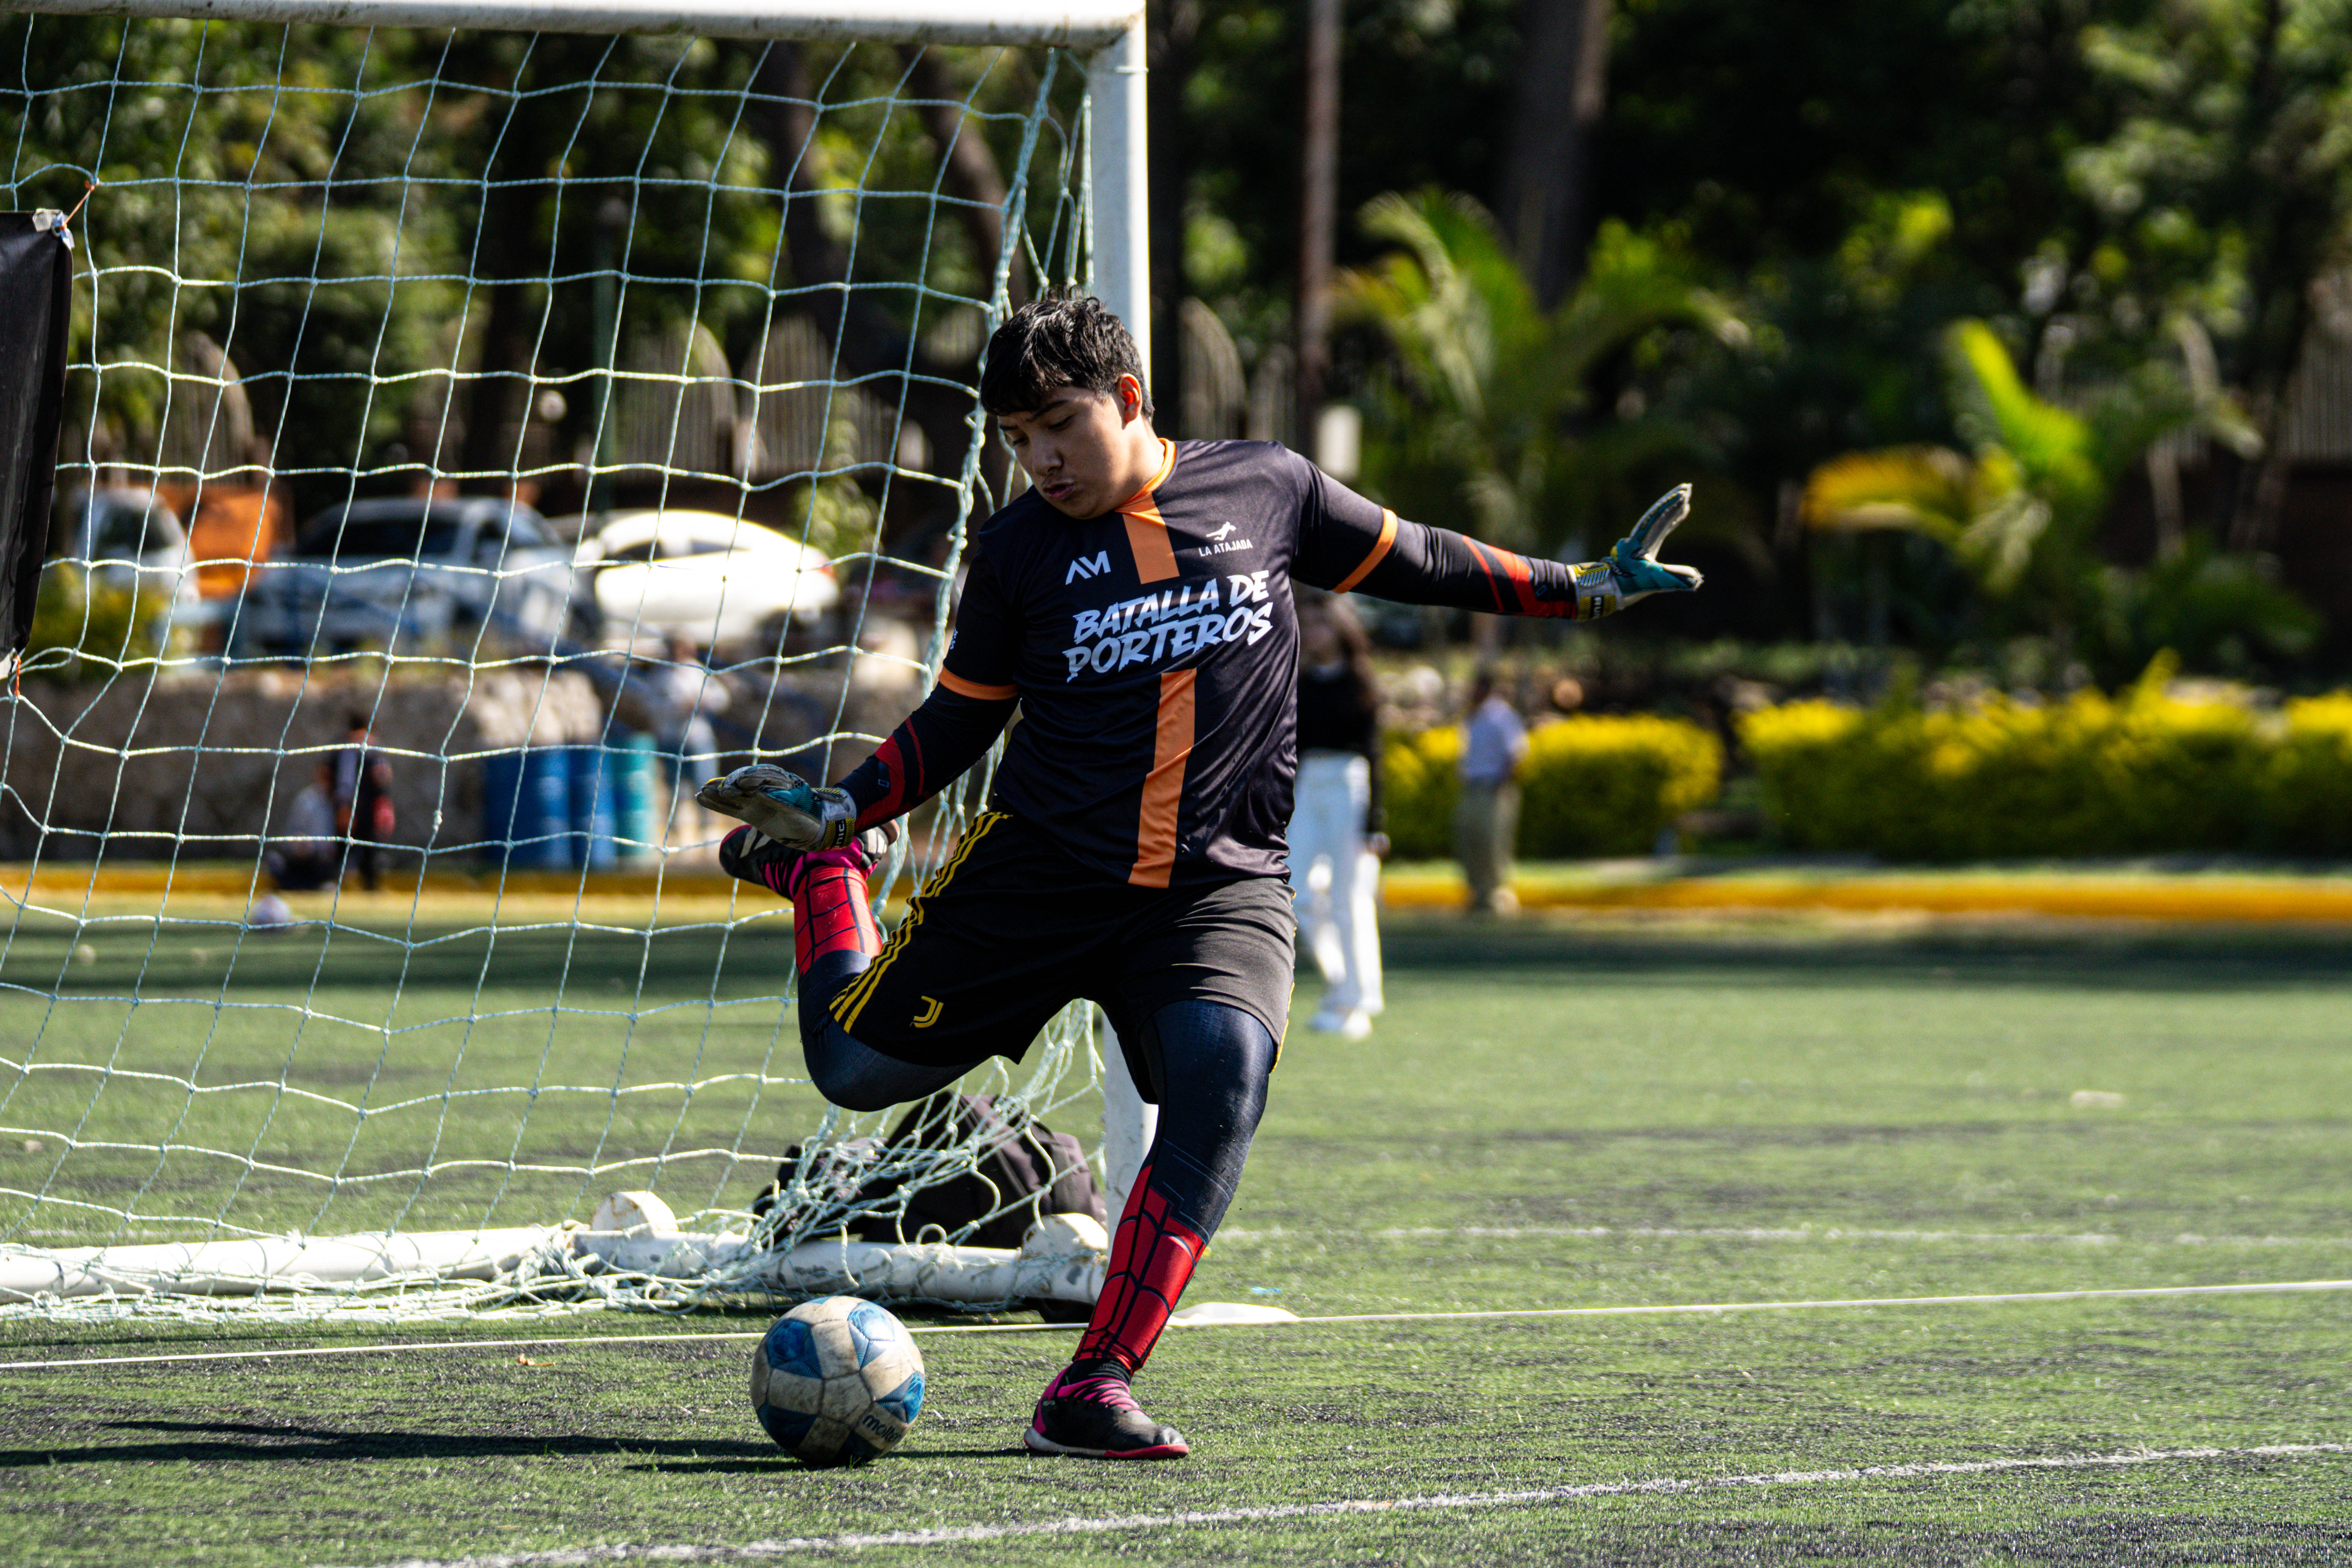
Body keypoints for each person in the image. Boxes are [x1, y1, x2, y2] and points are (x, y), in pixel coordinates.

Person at [695, 295, 1701, 1461]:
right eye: (1018, 438)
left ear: (1129, 398)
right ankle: (825, 877)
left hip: (1216, 890)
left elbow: (1420, 556)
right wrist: (844, 807)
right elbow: (959, 720)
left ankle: (1092, 1383)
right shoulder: (1019, 548)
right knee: (855, 1071)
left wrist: (1579, 585)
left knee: (1226, 1075)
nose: (1041, 459)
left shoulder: (1268, 486)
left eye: (1059, 424)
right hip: (1039, 876)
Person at [1289, 592, 1385, 1039]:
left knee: (1350, 899)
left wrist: (1375, 822)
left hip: (1349, 782)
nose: (1314, 633)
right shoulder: (1297, 682)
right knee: (1298, 894)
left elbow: (1374, 753)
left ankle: (1355, 1000)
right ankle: (1342, 985)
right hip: (1308, 784)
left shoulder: (1360, 682)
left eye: (1322, 624)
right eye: (1307, 625)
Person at [1456, 669, 1527, 914]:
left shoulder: (1502, 716)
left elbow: (1515, 754)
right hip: (1472, 788)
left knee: (1493, 846)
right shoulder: (1472, 717)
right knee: (1470, 841)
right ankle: (1477, 895)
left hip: (1493, 789)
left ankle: (1497, 898)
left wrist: (1503, 786)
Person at [330, 714, 395, 891]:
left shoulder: (374, 753)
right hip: (349, 808)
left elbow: (383, 781)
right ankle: (336, 884)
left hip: (368, 811)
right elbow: (343, 781)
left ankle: (371, 886)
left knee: (370, 850)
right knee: (343, 847)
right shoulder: (345, 752)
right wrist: (344, 807)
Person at [264, 762, 341, 892]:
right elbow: (293, 833)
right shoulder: (306, 800)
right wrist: (300, 843)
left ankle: (310, 886)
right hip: (299, 857)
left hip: (319, 860)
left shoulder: (337, 803)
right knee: (274, 861)